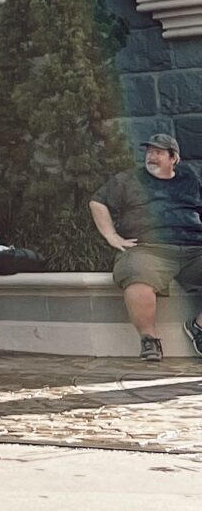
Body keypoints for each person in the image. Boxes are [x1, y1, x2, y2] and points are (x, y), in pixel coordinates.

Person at [90, 130, 202, 362]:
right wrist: (111, 236)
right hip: (148, 248)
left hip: (194, 248)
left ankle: (198, 327)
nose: (151, 156)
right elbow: (97, 202)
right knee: (136, 274)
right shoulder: (128, 180)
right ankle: (149, 340)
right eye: (149, 152)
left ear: (174, 159)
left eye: (158, 153)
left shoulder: (190, 178)